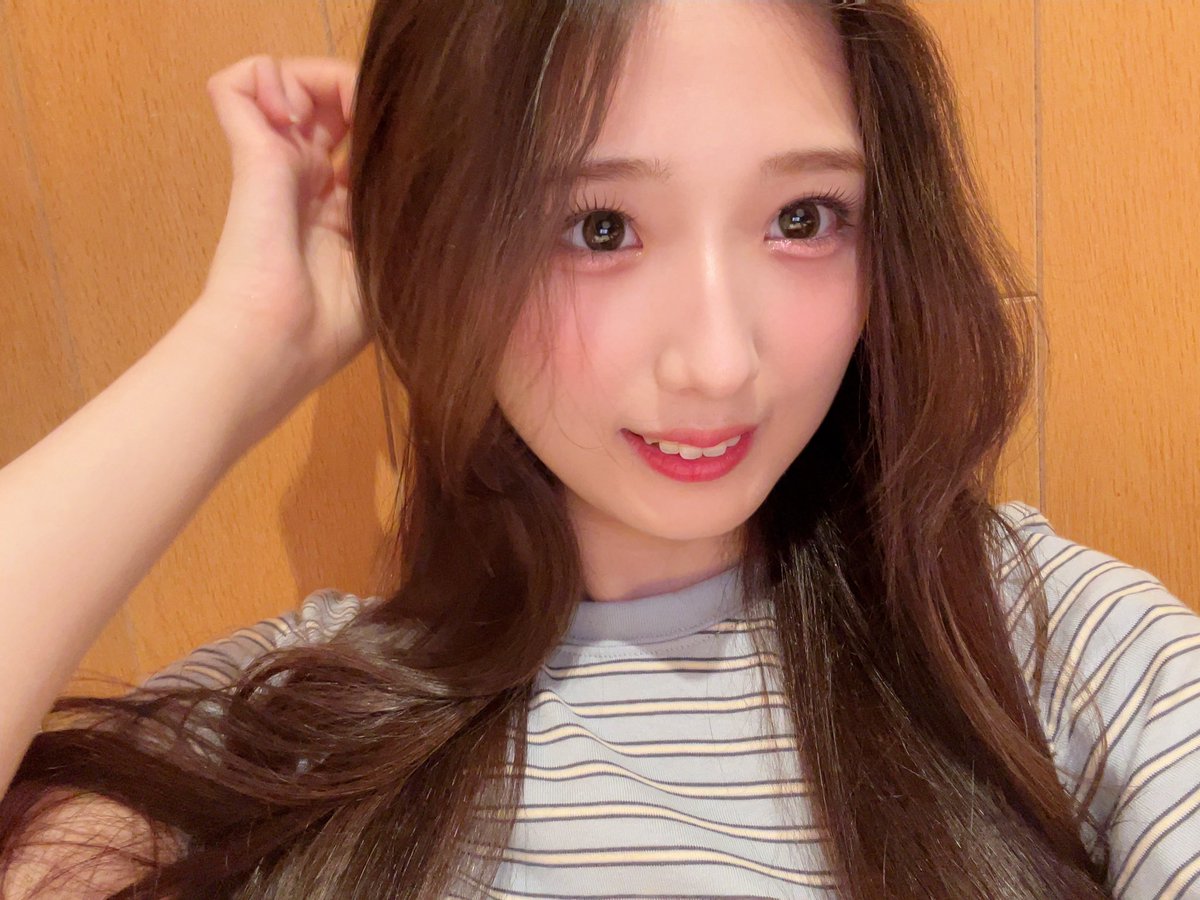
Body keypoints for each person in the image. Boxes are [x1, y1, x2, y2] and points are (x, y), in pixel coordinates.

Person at [0, 0, 1197, 897]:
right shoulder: (286, 723)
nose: (719, 363)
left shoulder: (1038, 646)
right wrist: (248, 341)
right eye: (600, 227)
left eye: (804, 217)